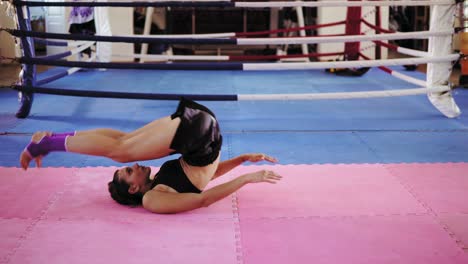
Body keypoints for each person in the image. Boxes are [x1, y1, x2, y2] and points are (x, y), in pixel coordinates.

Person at [19, 98, 282, 214]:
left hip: (202, 132)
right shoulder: (153, 200)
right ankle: (48, 143)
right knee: (121, 149)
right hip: (201, 134)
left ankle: (55, 138)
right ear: (134, 188)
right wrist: (247, 175)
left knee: (122, 141)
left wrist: (242, 159)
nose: (135, 166)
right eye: (129, 173)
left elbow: (204, 175)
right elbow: (204, 197)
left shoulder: (161, 182)